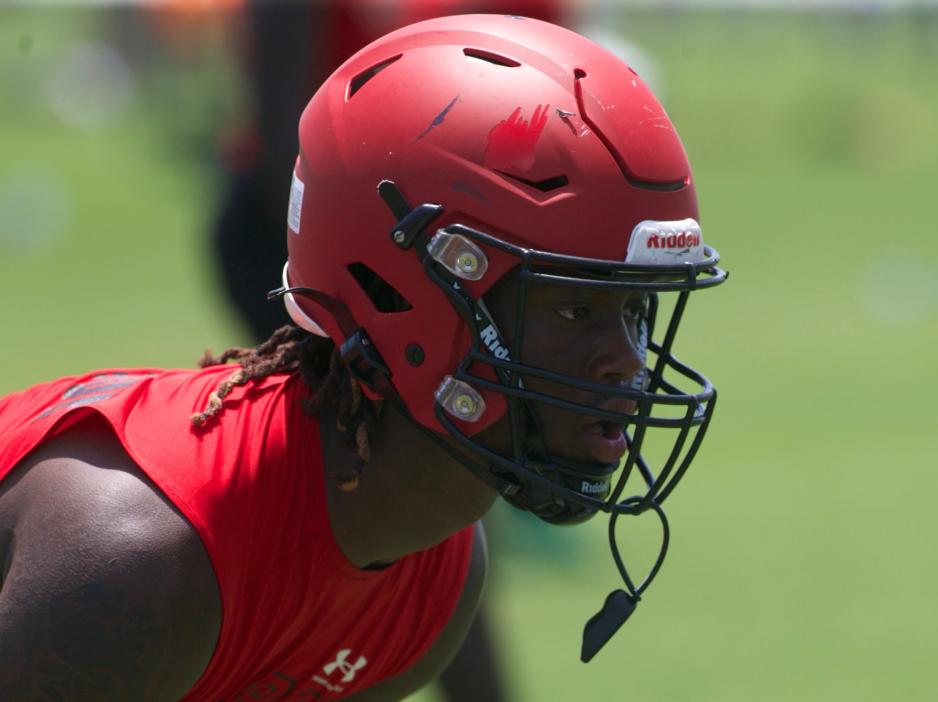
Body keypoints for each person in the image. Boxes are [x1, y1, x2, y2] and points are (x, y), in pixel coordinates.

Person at [0, 14, 727, 701]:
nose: (626, 365)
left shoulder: (435, 570)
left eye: (637, 308)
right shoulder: (136, 559)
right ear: (404, 295)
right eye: (575, 310)